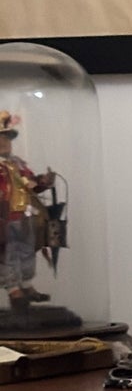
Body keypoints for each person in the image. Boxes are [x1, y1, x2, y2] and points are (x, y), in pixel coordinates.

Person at [0, 106, 56, 311]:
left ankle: (26, 284)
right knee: (8, 253)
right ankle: (13, 288)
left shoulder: (18, 164)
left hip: (25, 214)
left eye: (7, 139)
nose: (4, 143)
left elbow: (31, 183)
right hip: (5, 217)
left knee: (27, 250)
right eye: (0, 139)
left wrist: (43, 181)